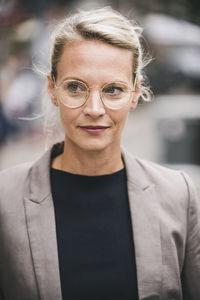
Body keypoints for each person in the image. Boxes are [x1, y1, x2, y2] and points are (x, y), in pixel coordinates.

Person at [0, 7, 200, 300]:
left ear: (135, 93)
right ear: (52, 89)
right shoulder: (5, 199)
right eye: (76, 88)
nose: (94, 109)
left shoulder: (178, 195)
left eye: (113, 90)